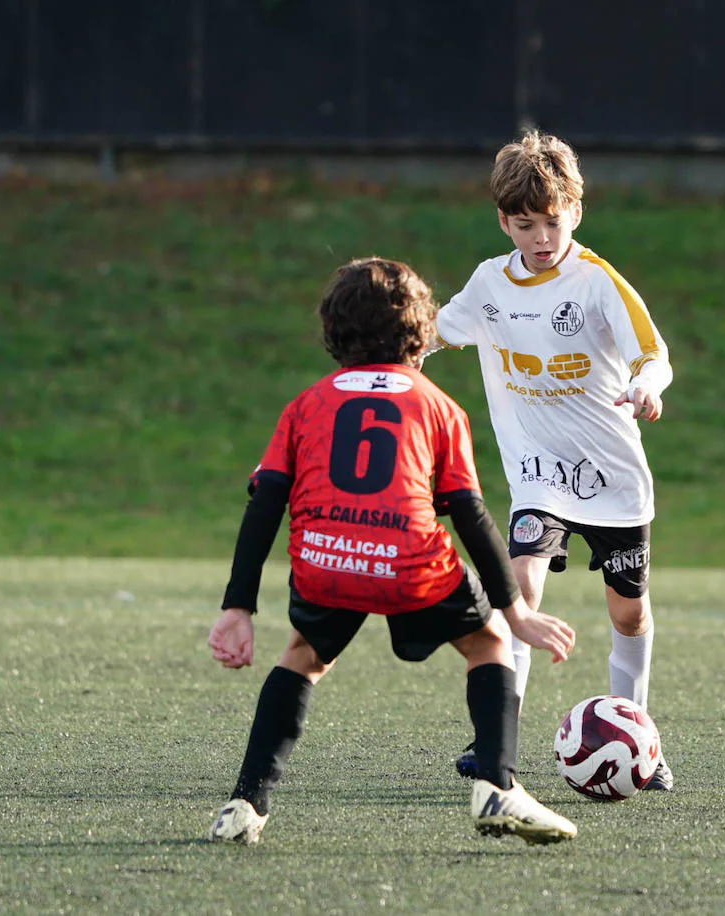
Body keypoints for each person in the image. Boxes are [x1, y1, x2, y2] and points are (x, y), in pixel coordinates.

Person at [205, 256, 579, 847]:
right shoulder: (437, 405)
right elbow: (470, 513)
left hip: (325, 561)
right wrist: (517, 610)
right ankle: (498, 785)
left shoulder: (305, 405)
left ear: (333, 330)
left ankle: (245, 804)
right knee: (487, 644)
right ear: (421, 331)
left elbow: (265, 503)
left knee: (303, 654)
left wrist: (238, 607)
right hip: (411, 565)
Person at [431, 131, 675, 790]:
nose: (541, 236)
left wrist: (648, 384)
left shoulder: (596, 283)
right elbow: (430, 333)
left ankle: (637, 738)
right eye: (524, 223)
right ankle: (496, 746)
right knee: (520, 589)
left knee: (628, 613)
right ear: (503, 220)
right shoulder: (490, 284)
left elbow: (654, 354)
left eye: (553, 220)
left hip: (613, 480)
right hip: (540, 478)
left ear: (576, 211)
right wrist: (383, 352)